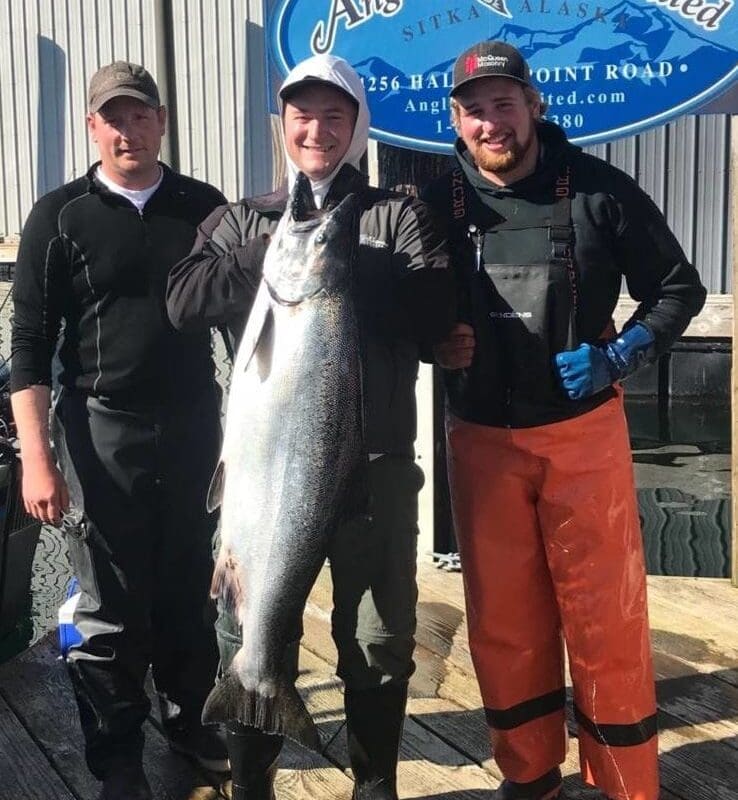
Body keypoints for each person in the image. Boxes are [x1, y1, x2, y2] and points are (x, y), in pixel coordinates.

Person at [422, 41, 706, 800]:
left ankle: (625, 783)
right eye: (476, 109)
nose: (492, 122)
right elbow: (395, 304)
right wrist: (432, 341)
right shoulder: (435, 202)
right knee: (503, 621)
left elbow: (679, 289)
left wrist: (623, 357)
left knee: (604, 618)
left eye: (505, 103)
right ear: (456, 118)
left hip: (581, 435)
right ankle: (529, 775)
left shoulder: (600, 191)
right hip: (478, 437)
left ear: (535, 105)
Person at [166, 54, 454, 800]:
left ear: (357, 126)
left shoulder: (400, 213)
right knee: (251, 626)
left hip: (377, 465)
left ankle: (374, 785)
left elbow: (436, 315)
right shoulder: (243, 219)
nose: (317, 129)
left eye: (335, 115)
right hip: (264, 470)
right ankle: (253, 782)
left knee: (379, 637)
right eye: (303, 114)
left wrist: (347, 262)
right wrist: (271, 252)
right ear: (284, 124)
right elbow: (184, 300)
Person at [10, 61, 230, 800]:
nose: (127, 130)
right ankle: (117, 754)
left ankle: (190, 719)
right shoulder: (60, 215)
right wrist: (38, 459)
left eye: (140, 116)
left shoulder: (204, 207)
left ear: (162, 122)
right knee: (106, 599)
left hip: (197, 424)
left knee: (189, 585)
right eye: (113, 117)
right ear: (92, 127)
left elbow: (248, 330)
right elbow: (30, 345)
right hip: (100, 429)